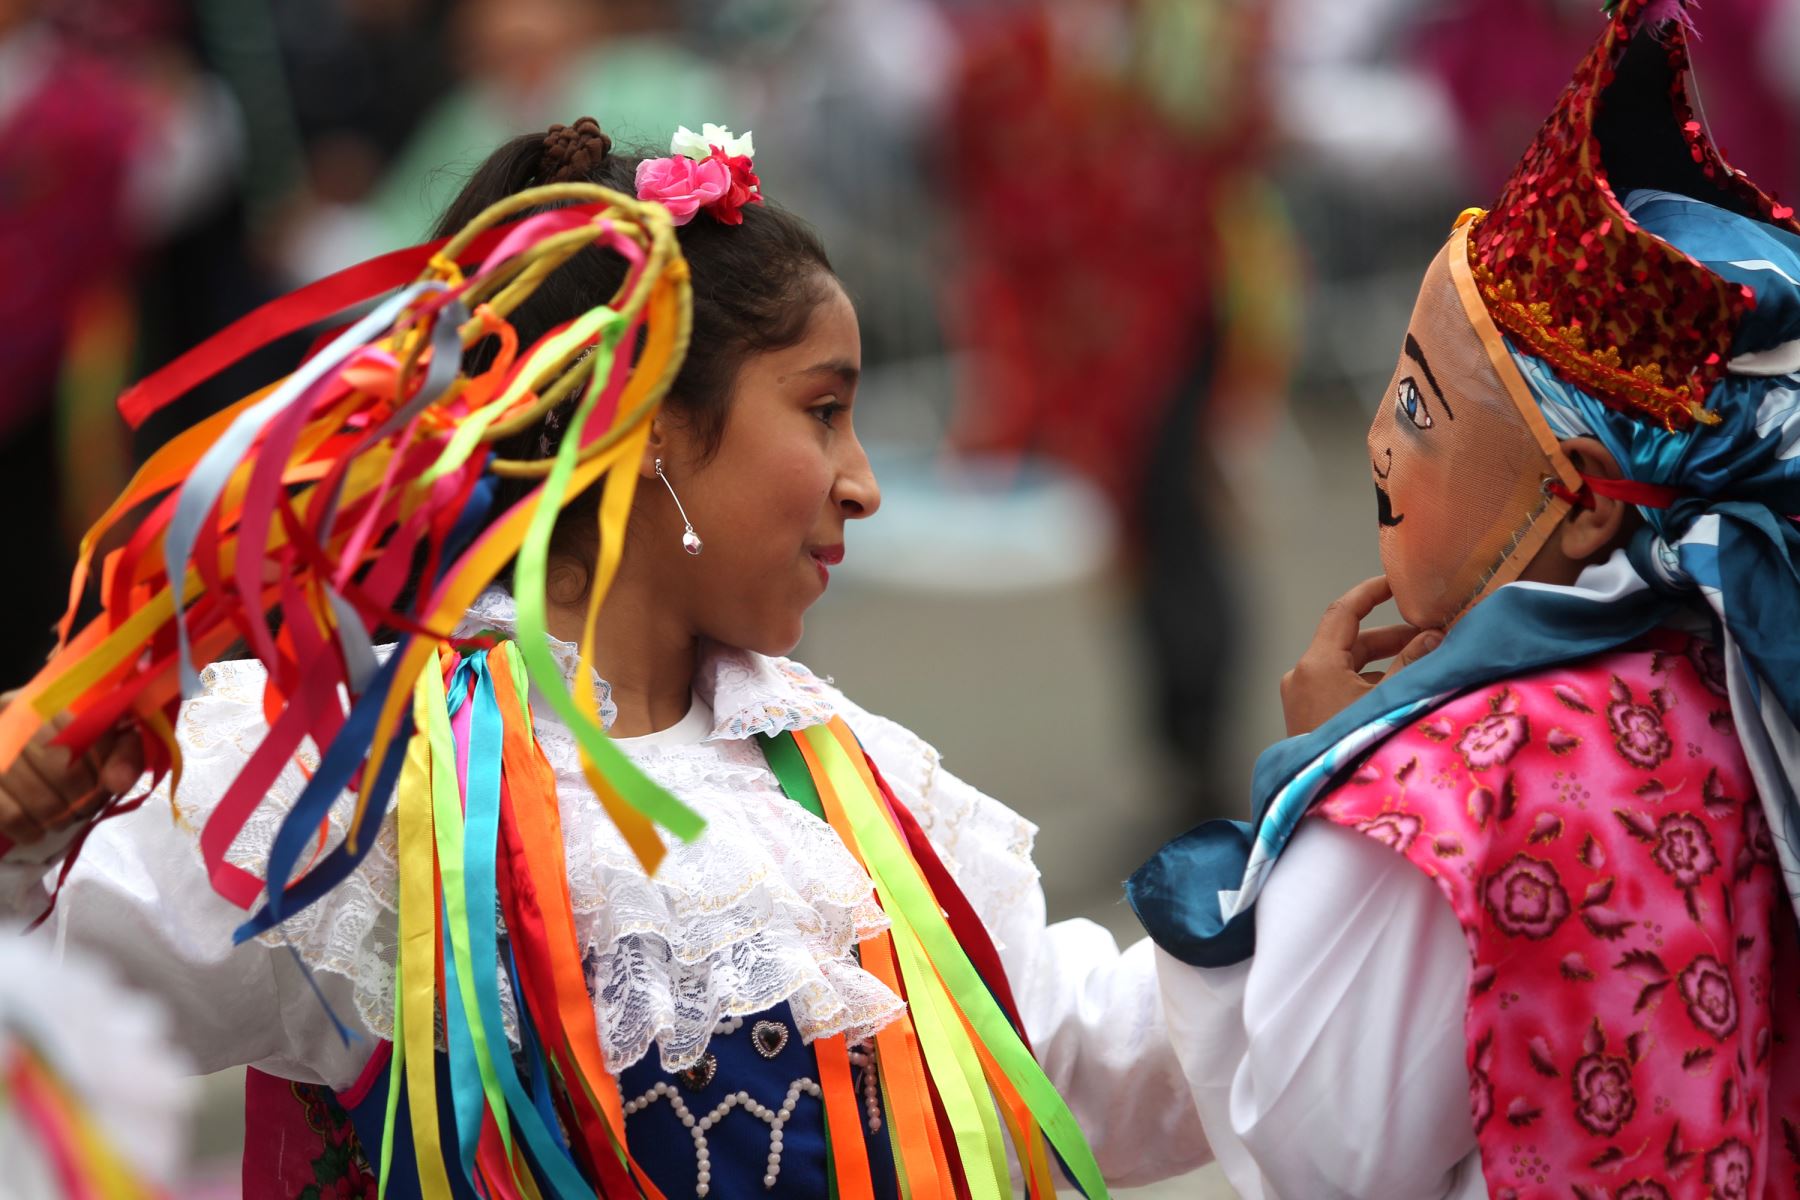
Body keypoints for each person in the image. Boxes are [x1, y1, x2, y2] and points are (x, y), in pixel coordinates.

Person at [0, 117, 1206, 1198]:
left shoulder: (845, 788)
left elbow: (1073, 1054)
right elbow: (44, 1021)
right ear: (645, 423)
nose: (864, 482)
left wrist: (1338, 843)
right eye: (821, 409)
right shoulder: (356, 782)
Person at [1129, 2, 1800, 1196]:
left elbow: (1321, 1143)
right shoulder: (1745, 677)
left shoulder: (1460, 784)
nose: (1381, 449)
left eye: (1426, 412)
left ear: (1588, 502)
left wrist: (1325, 775)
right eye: (1393, 394)